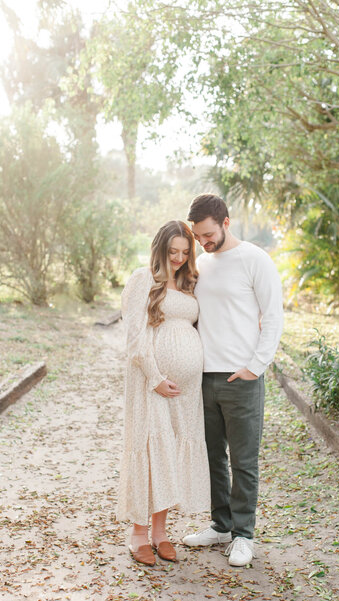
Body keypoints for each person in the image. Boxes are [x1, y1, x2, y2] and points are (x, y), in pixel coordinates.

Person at [182, 194, 283, 567]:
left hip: (241, 377)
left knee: (243, 461)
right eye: (197, 236)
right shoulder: (201, 264)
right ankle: (221, 525)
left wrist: (255, 367)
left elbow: (273, 317)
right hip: (203, 378)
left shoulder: (256, 260)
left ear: (226, 222)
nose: (203, 242)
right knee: (212, 458)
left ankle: (243, 535)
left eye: (208, 234)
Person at [117, 220, 210, 567]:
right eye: (172, 252)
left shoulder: (190, 283)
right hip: (150, 382)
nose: (178, 258)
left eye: (185, 253)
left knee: (170, 453)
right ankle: (138, 534)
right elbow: (135, 337)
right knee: (151, 450)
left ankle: (160, 532)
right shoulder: (143, 279)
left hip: (186, 390)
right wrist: (156, 377)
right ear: (160, 249)